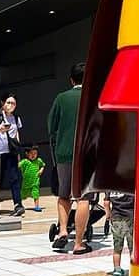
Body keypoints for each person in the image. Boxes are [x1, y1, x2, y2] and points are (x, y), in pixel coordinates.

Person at [48, 66, 83, 250]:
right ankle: (79, 242)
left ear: (71, 80)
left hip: (64, 153)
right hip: (86, 154)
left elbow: (51, 125)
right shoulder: (91, 98)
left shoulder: (61, 98)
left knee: (63, 194)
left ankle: (63, 231)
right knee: (83, 197)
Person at [0, 94, 24, 216]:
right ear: (3, 103)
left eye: (13, 103)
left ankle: (18, 204)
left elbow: (17, 135)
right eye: (8, 103)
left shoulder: (16, 118)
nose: (11, 105)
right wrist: (0, 129)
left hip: (11, 152)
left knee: (14, 179)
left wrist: (18, 151)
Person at [102, 191, 134, 276]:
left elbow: (106, 203)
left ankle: (117, 270)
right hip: (130, 217)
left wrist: (108, 214)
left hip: (116, 218)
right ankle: (134, 269)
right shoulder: (129, 186)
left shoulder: (111, 187)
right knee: (132, 247)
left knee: (117, 247)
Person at [19, 145, 47, 212]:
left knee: (36, 194)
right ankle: (19, 205)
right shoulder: (25, 161)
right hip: (25, 183)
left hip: (35, 182)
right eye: (31, 153)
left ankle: (37, 206)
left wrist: (41, 170)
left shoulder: (38, 161)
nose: (33, 155)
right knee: (22, 195)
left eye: (35, 153)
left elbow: (43, 165)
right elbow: (18, 165)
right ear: (27, 154)